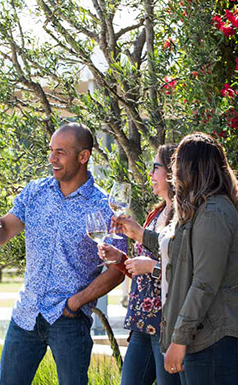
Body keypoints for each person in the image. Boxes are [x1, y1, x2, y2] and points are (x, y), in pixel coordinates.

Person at [0, 122, 126, 385]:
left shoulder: (104, 207)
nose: (52, 159)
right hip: (26, 313)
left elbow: (118, 271)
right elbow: (0, 235)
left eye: (61, 152)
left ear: (83, 157)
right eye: (50, 151)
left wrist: (76, 303)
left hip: (68, 320)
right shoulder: (35, 192)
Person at [115, 132, 238, 385]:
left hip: (216, 336)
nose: (173, 173)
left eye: (176, 165)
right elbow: (177, 251)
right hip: (204, 335)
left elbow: (204, 283)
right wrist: (138, 233)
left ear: (191, 168)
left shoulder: (213, 213)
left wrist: (179, 339)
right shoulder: (201, 208)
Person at [99, 144, 180, 385]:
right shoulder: (155, 215)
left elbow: (184, 268)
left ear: (172, 172)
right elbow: (141, 271)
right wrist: (120, 259)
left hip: (167, 324)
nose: (150, 174)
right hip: (142, 321)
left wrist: (150, 265)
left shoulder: (183, 215)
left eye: (156, 167)